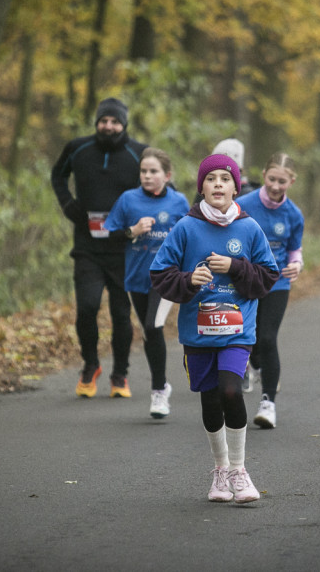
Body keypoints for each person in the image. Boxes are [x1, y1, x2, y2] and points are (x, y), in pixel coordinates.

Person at [150, 154, 279, 504]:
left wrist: (236, 266)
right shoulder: (186, 227)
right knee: (210, 400)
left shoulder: (250, 228)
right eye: (211, 179)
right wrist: (189, 279)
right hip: (199, 332)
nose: (218, 184)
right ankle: (220, 470)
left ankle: (239, 470)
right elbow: (160, 274)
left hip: (238, 331)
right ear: (201, 187)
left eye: (225, 178)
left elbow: (268, 277)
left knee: (231, 392)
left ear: (236, 187)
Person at [51, 97, 146, 398]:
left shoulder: (139, 153)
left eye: (115, 121)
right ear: (97, 123)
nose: (108, 126)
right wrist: (69, 205)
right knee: (87, 307)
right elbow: (58, 175)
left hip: (124, 247)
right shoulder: (77, 148)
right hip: (87, 245)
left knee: (121, 313)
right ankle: (90, 365)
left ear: (124, 124)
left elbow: (157, 186)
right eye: (103, 121)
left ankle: (120, 374)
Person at [105, 147, 190, 418]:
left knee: (154, 325)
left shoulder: (179, 202)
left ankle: (157, 393)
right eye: (143, 171)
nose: (147, 176)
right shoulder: (128, 200)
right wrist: (132, 231)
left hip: (166, 276)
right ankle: (163, 385)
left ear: (167, 175)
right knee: (149, 332)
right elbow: (109, 236)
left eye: (153, 172)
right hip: (136, 278)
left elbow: (192, 237)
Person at [235, 153, 304, 429]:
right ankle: (252, 369)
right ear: (264, 175)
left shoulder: (293, 214)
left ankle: (268, 403)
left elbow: (294, 248)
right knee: (247, 337)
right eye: (272, 179)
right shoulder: (242, 205)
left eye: (282, 181)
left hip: (278, 282)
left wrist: (297, 263)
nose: (276, 186)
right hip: (247, 281)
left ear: (292, 181)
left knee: (267, 338)